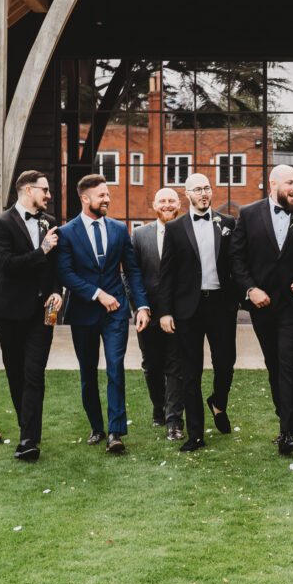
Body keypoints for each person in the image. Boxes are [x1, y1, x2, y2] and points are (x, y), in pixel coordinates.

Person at [57, 174, 150, 454]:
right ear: (85, 199)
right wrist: (97, 294)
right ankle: (96, 427)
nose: (107, 199)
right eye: (101, 195)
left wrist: (141, 306)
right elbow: (66, 274)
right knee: (88, 373)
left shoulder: (119, 230)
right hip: (84, 312)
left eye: (108, 194)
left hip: (116, 313)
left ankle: (115, 432)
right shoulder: (66, 232)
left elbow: (132, 270)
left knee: (115, 367)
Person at [231, 164, 293, 455]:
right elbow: (237, 258)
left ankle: (288, 431)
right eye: (290, 182)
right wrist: (250, 289)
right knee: (273, 364)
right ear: (273, 184)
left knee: (288, 362)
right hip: (263, 306)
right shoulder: (248, 214)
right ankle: (285, 418)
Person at [158, 174, 239, 453]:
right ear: (187, 194)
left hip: (221, 305)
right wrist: (165, 312)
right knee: (190, 372)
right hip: (187, 309)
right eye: (198, 190)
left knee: (226, 363)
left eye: (207, 188)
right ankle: (195, 434)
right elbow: (166, 274)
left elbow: (237, 265)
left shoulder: (227, 223)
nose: (204, 194)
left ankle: (218, 401)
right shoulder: (176, 228)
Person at [0, 170, 62, 462]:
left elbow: (55, 266)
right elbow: (7, 265)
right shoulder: (0, 224)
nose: (48, 195)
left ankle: (29, 439)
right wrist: (42, 251)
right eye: (45, 190)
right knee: (16, 372)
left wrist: (58, 290)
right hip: (8, 311)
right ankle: (26, 425)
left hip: (44, 312)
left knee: (34, 373)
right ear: (29, 190)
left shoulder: (51, 223)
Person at [130, 188, 185, 440]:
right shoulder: (140, 235)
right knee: (151, 366)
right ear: (154, 205)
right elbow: (132, 274)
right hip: (148, 312)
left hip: (180, 313)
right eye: (162, 200)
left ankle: (175, 419)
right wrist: (140, 306)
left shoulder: (187, 231)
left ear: (179, 204)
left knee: (176, 365)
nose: (167, 204)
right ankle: (158, 407)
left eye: (171, 200)